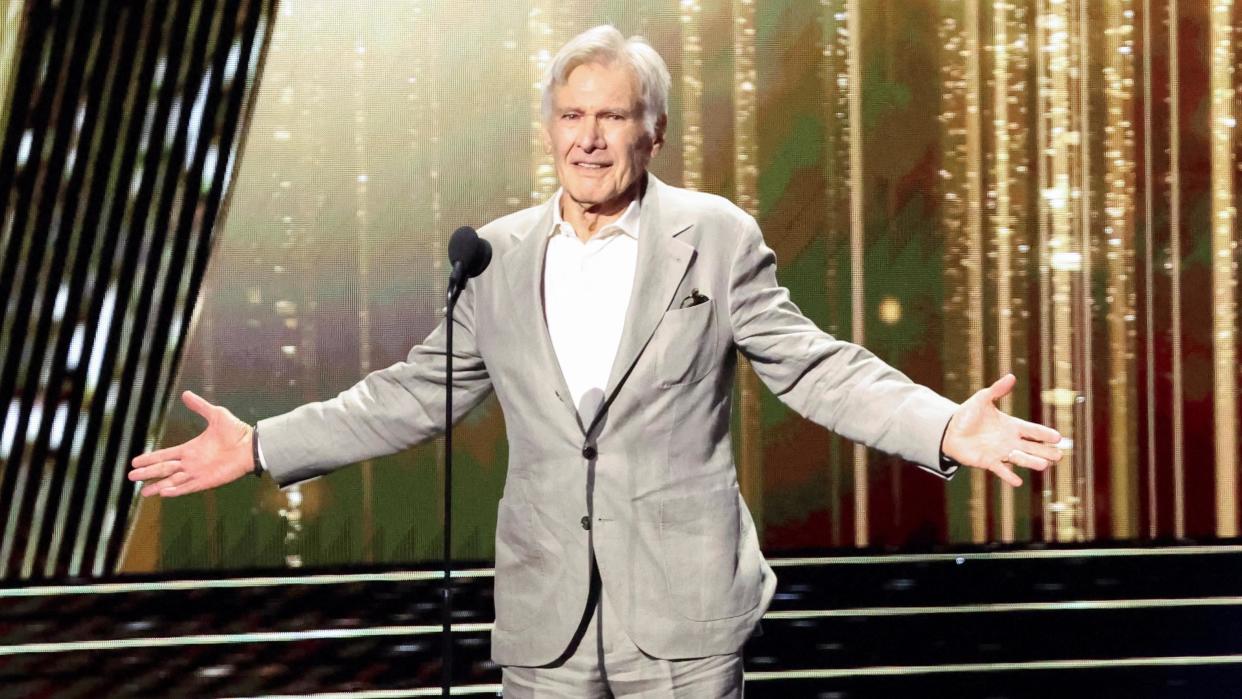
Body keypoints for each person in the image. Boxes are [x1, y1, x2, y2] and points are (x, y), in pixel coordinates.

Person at [130, 25, 1063, 697]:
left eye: (612, 117)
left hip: (682, 617)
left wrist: (943, 423)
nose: (588, 138)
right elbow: (413, 393)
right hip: (547, 615)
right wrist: (261, 446)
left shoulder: (715, 237)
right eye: (571, 115)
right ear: (548, 129)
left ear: (651, 131)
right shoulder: (494, 255)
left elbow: (813, 366)